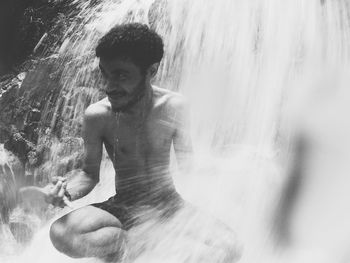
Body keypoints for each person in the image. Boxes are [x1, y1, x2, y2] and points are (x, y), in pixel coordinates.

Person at [22, 23, 240, 262]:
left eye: (121, 75)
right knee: (61, 233)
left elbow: (188, 165)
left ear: (151, 71)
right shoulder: (98, 116)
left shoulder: (175, 107)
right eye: (104, 74)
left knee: (229, 247)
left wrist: (228, 169)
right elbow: (88, 174)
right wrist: (64, 191)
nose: (109, 86)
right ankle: (138, 246)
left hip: (169, 206)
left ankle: (143, 245)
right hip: (122, 207)